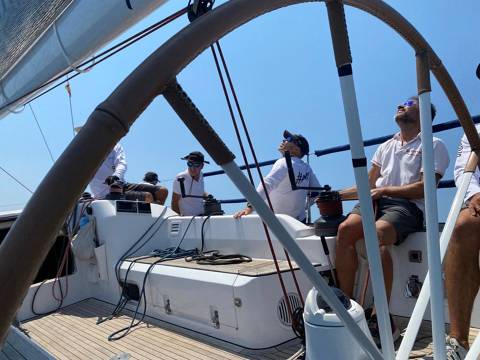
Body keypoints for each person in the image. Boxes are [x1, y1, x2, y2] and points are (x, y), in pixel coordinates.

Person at [336, 96, 449, 343]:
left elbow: (425, 187)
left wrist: (385, 190)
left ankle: (381, 319)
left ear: (423, 116)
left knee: (376, 235)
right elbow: (367, 184)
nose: (401, 105)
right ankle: (346, 309)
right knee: (345, 231)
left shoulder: (434, 144)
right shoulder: (386, 146)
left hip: (408, 206)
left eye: (410, 103)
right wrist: (334, 194)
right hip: (377, 200)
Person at [444, 123, 480, 359]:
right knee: (463, 226)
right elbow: (463, 169)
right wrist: (475, 193)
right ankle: (458, 342)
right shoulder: (474, 129)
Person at [234, 130, 320, 222]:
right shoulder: (307, 168)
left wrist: (250, 207)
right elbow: (316, 192)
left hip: (277, 222)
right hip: (298, 220)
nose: (284, 141)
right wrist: (304, 207)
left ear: (296, 149)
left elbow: (267, 184)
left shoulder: (283, 162)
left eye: (289, 139)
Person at [171, 151, 209, 216]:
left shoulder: (201, 175)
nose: (192, 168)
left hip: (202, 216)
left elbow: (198, 190)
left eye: (196, 165)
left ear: (202, 166)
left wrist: (208, 196)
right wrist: (179, 219)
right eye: (190, 164)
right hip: (188, 220)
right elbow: (174, 202)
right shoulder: (180, 178)